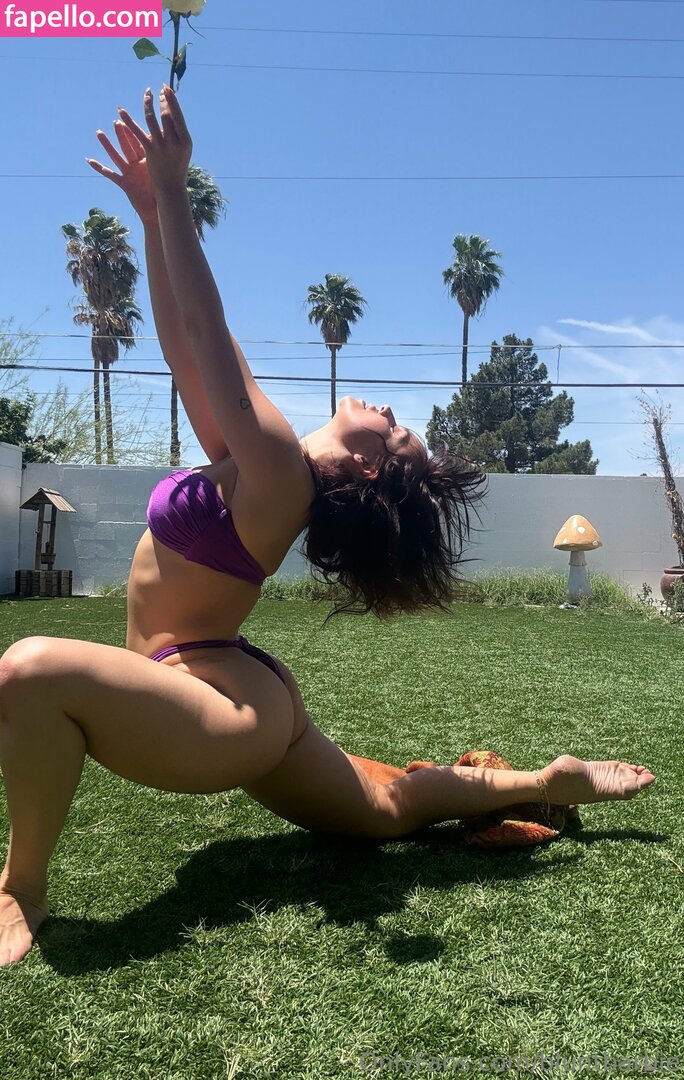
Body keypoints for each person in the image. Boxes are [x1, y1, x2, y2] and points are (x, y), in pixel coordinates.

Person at [0, 88, 655, 966]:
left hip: (215, 702)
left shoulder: (277, 468)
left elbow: (207, 325)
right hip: (232, 684)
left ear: (372, 467)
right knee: (387, 809)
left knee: (30, 668)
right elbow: (187, 347)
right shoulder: (259, 464)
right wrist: (153, 216)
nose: (387, 409)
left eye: (398, 429)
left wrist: (176, 196)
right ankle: (544, 780)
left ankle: (20, 887)